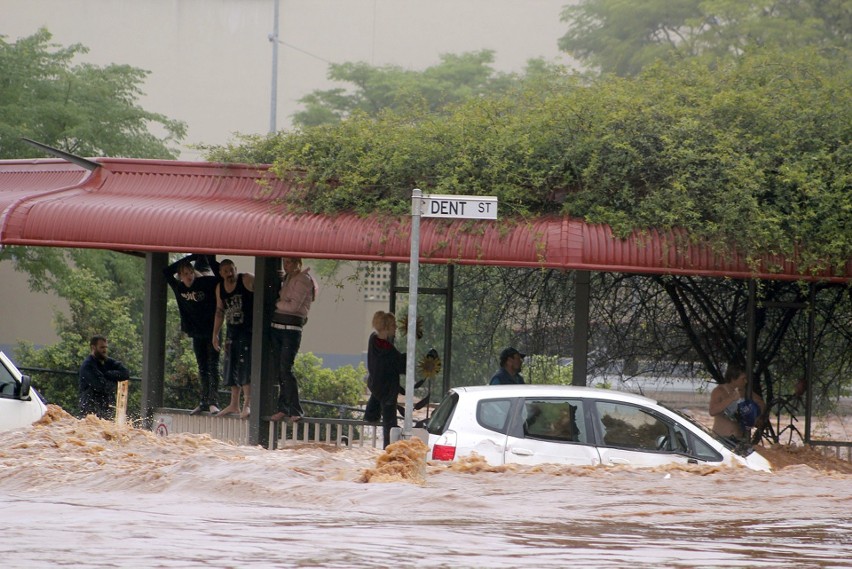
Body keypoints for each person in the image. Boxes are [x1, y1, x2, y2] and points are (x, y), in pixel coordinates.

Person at [163, 253, 222, 414]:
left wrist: (200, 255)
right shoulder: (179, 287)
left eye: (190, 273)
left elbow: (218, 275)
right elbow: (167, 272)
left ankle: (213, 401)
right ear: (180, 276)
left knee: (212, 366)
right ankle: (204, 401)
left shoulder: (205, 282)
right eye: (185, 274)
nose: (189, 276)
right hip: (196, 332)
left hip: (212, 331)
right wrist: (189, 258)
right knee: (202, 367)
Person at [269, 257, 317, 423]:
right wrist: (283, 301)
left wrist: (277, 304)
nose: (286, 265)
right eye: (284, 262)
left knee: (285, 369)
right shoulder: (288, 278)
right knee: (279, 369)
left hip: (291, 329)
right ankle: (283, 407)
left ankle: (296, 408)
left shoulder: (303, 279)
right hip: (278, 326)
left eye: (290, 262)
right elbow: (287, 302)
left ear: (298, 263)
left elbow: (294, 306)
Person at [212, 259, 255, 419]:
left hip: (248, 332)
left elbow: (266, 289)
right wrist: (215, 334)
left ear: (236, 269)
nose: (229, 273)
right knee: (230, 368)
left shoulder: (247, 279)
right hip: (231, 333)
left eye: (231, 270)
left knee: (245, 368)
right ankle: (234, 404)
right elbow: (219, 311)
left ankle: (247, 404)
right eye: (225, 271)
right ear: (221, 273)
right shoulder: (220, 288)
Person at [363, 311, 407, 449]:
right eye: (394, 325)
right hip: (388, 391)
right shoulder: (389, 350)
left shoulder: (373, 340)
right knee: (390, 424)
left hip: (375, 385)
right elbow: (401, 365)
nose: (396, 328)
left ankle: (371, 415)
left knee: (375, 403)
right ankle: (389, 449)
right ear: (387, 327)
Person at [709, 362, 766, 441]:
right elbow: (712, 411)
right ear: (733, 378)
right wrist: (730, 399)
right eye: (743, 379)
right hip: (721, 437)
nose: (745, 381)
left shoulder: (745, 392)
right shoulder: (719, 390)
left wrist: (755, 418)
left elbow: (761, 403)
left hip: (739, 438)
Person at [79, 335, 130, 419]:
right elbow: (101, 386)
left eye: (106, 347)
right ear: (93, 347)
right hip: (90, 409)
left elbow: (125, 373)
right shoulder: (87, 365)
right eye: (102, 347)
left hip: (106, 407)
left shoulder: (107, 361)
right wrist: (115, 380)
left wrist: (107, 374)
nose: (105, 350)